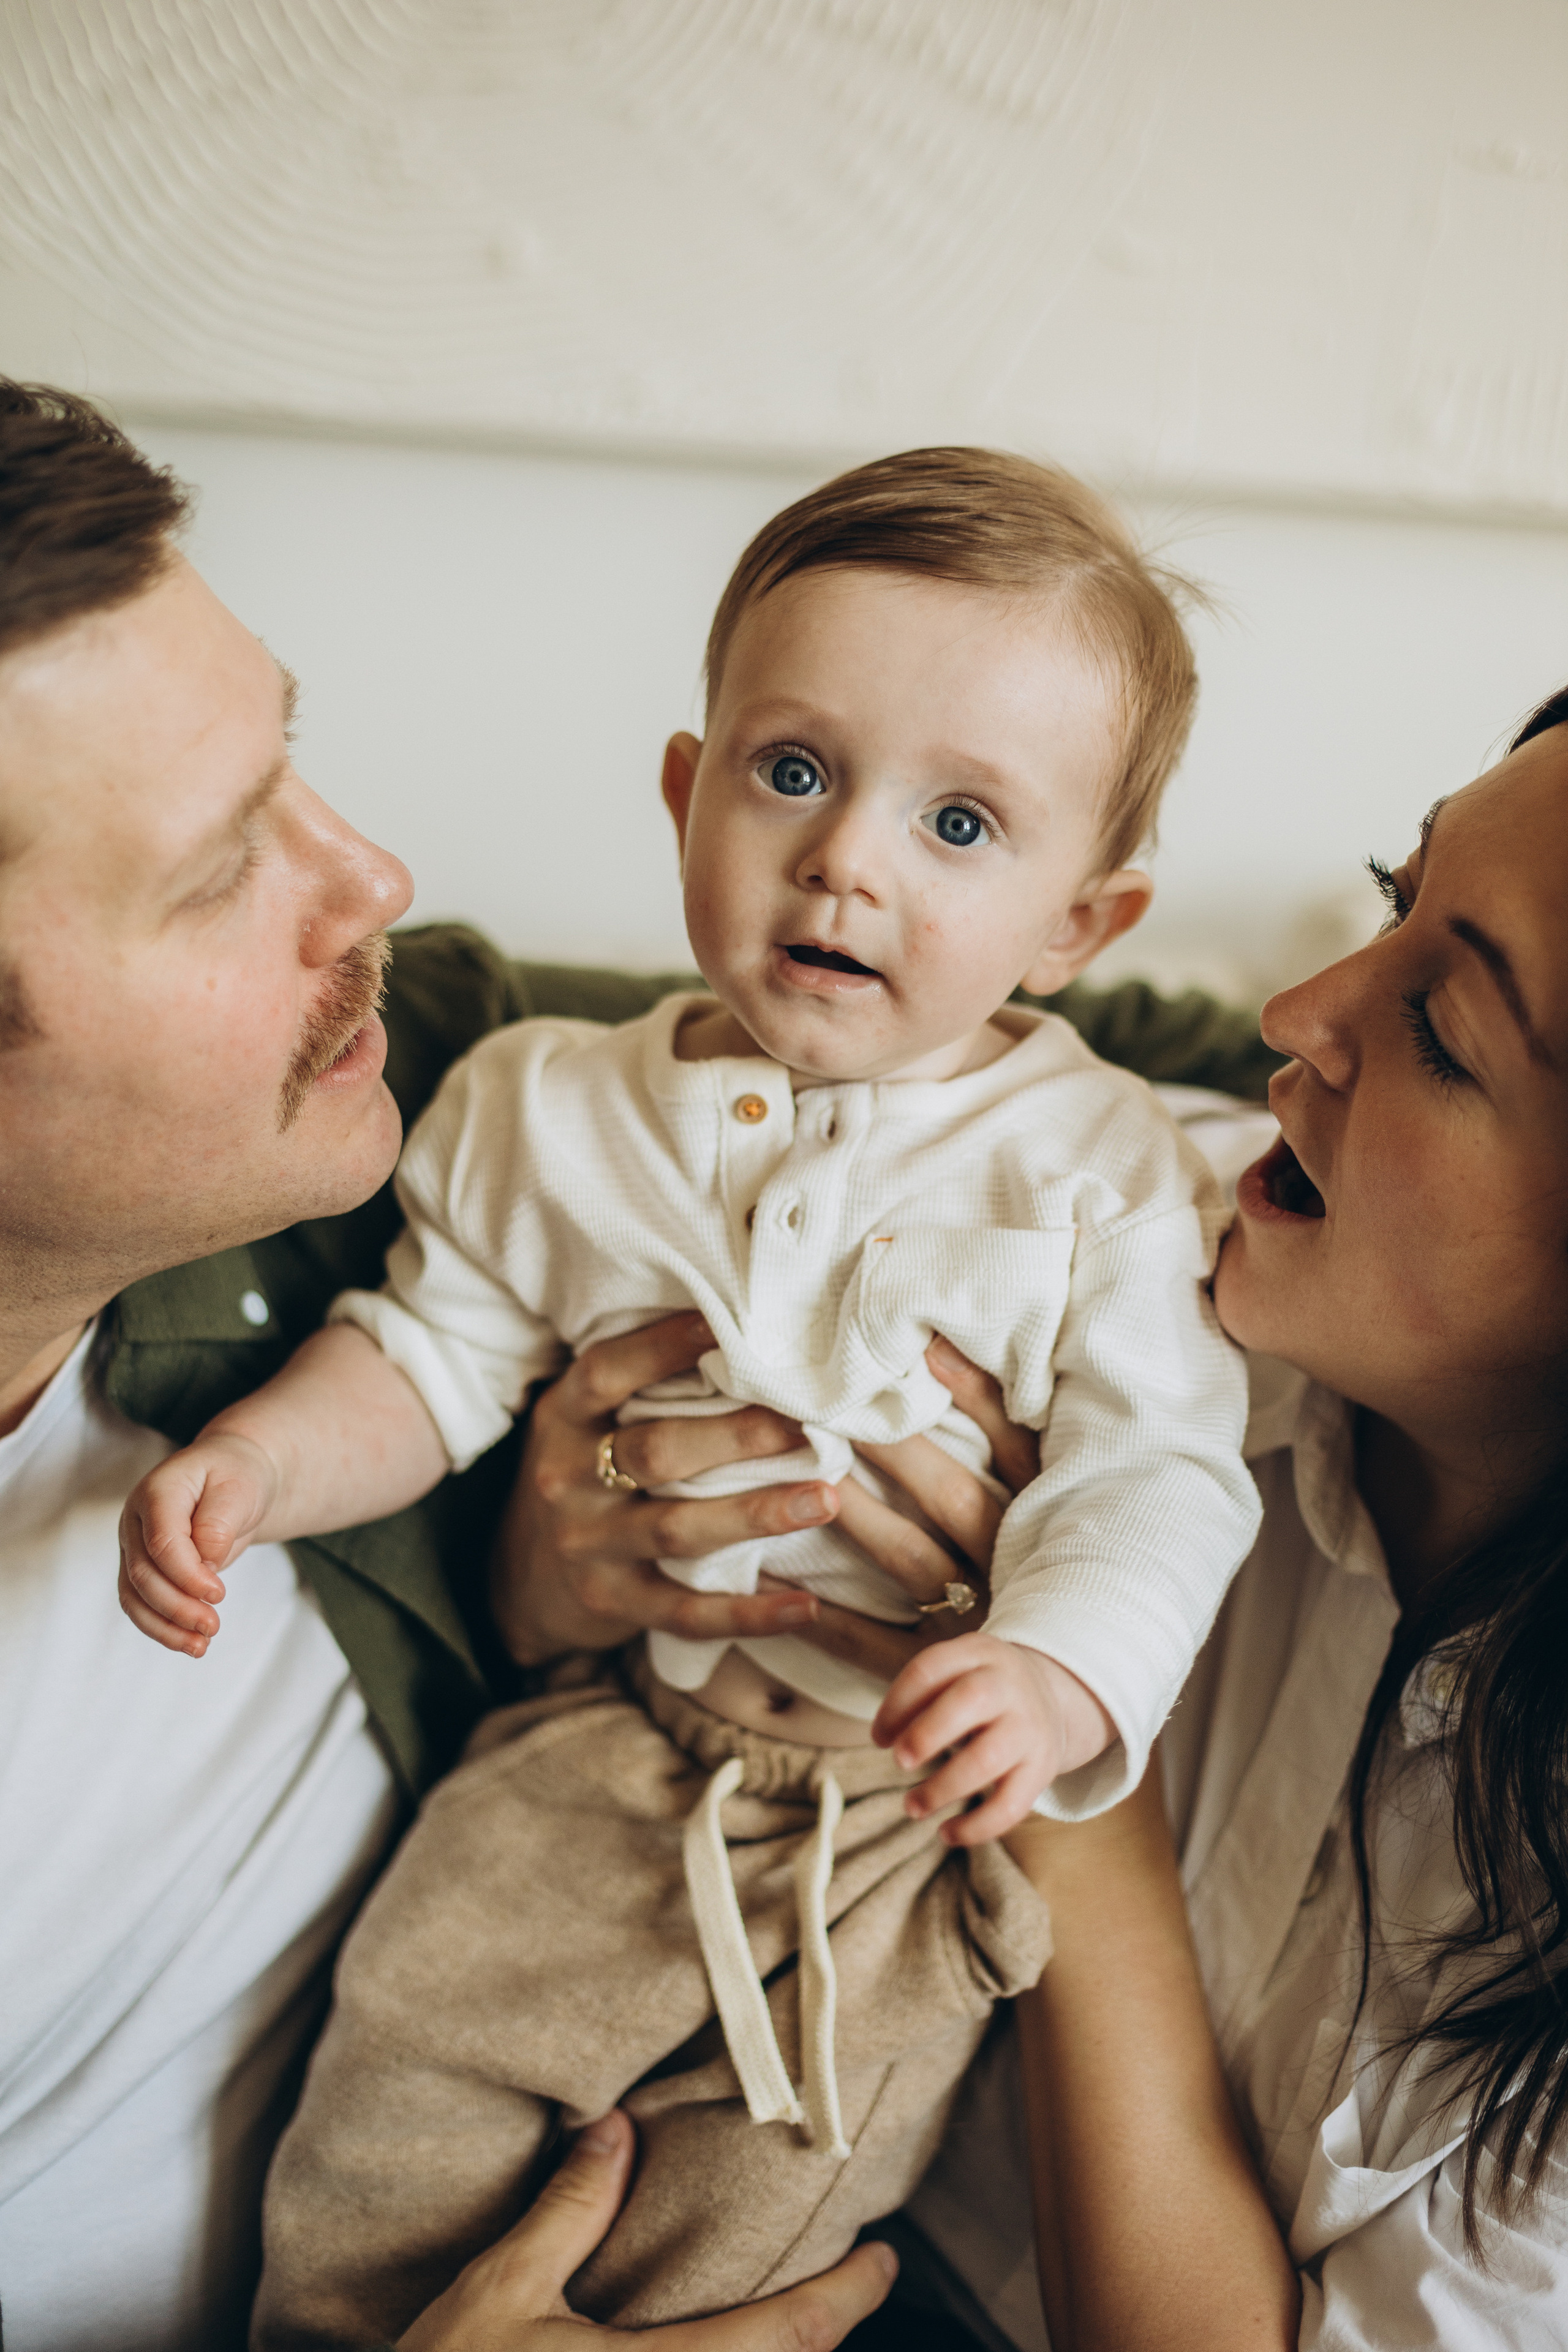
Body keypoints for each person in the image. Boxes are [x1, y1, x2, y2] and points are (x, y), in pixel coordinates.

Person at [0, 382, 1272, 2350]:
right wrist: (257, 1468)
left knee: (777, 2186)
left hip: (884, 1817)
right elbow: (427, 1354)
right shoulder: (543, 1106)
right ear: (687, 791)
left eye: (954, 826)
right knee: (402, 2097)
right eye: (789, 774)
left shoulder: (1096, 1161)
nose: (378, 885)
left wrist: (1059, 1671)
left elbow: (1165, 1461)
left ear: (1076, 922)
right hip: (588, 1782)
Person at [500, 687, 1568, 2347]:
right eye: (1389, 899)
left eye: (1446, 1032)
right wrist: (555, 1563)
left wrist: (1068, 1721)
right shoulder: (1100, 1224)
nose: (1295, 1015)